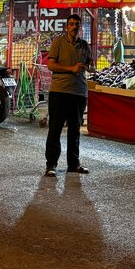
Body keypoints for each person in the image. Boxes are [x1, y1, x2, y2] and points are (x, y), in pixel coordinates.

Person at [45, 14, 93, 177]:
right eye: (71, 24)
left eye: (77, 24)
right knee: (55, 129)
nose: (74, 27)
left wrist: (87, 67)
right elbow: (51, 64)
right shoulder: (58, 42)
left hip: (79, 92)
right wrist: (71, 68)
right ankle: (51, 165)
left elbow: (89, 65)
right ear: (67, 27)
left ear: (80, 27)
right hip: (60, 91)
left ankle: (74, 164)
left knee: (75, 130)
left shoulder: (85, 45)